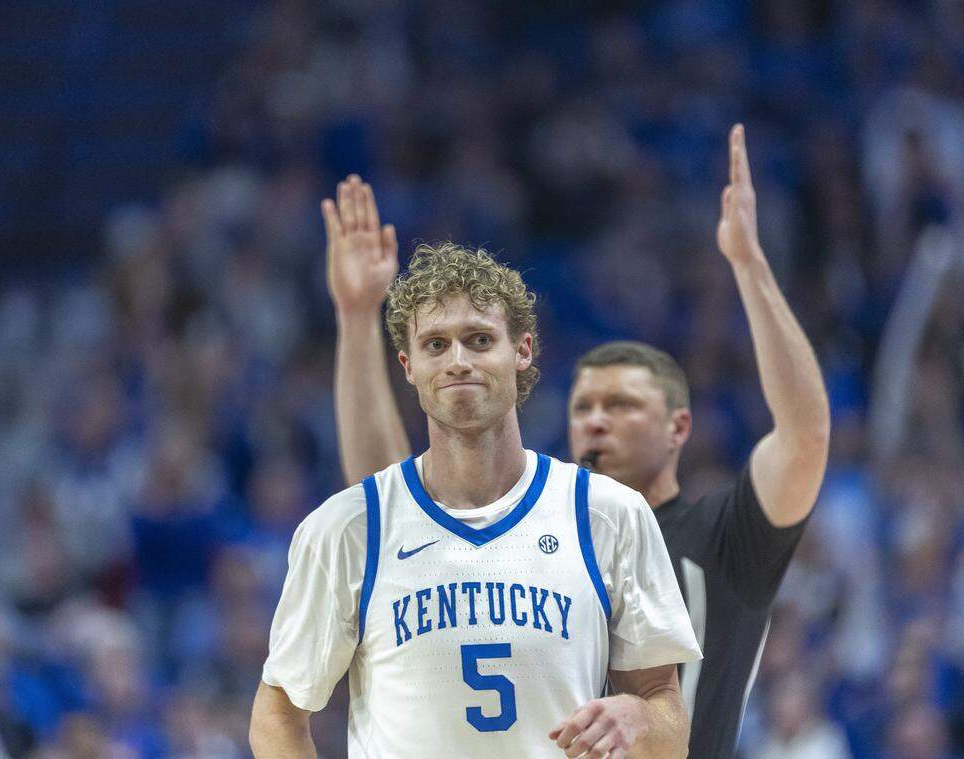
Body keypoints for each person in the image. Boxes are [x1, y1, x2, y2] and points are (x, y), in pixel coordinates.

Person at [330, 124, 831, 757]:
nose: (596, 420)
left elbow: (806, 434)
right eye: (583, 406)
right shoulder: (538, 527)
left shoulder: (726, 537)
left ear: (679, 427)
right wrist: (354, 319)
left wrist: (749, 265)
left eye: (622, 405)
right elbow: (384, 496)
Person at [250, 191, 702, 757]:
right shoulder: (345, 528)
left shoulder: (610, 514)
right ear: (409, 368)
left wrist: (640, 716)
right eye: (436, 345)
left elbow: (669, 717)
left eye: (480, 340)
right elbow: (278, 714)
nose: (458, 360)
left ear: (524, 350)